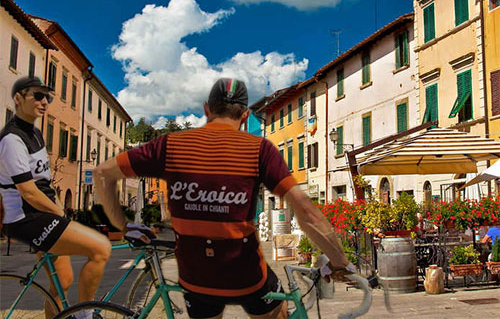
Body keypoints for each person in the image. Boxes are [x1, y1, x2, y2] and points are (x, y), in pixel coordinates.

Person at [94, 78, 355, 319]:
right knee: (279, 308)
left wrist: (124, 226)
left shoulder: (169, 145)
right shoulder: (259, 149)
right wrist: (340, 262)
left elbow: (102, 174)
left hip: (195, 277)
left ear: (207, 109)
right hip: (246, 275)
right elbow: (306, 212)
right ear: (245, 115)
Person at [0, 76, 111, 318]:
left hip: (41, 213)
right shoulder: (12, 139)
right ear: (18, 99)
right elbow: (28, 190)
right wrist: (60, 214)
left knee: (62, 282)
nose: (44, 102)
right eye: (37, 96)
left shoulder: (36, 134)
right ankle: (85, 314)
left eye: (47, 97)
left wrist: (62, 211)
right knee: (101, 247)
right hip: (25, 216)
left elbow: (45, 185)